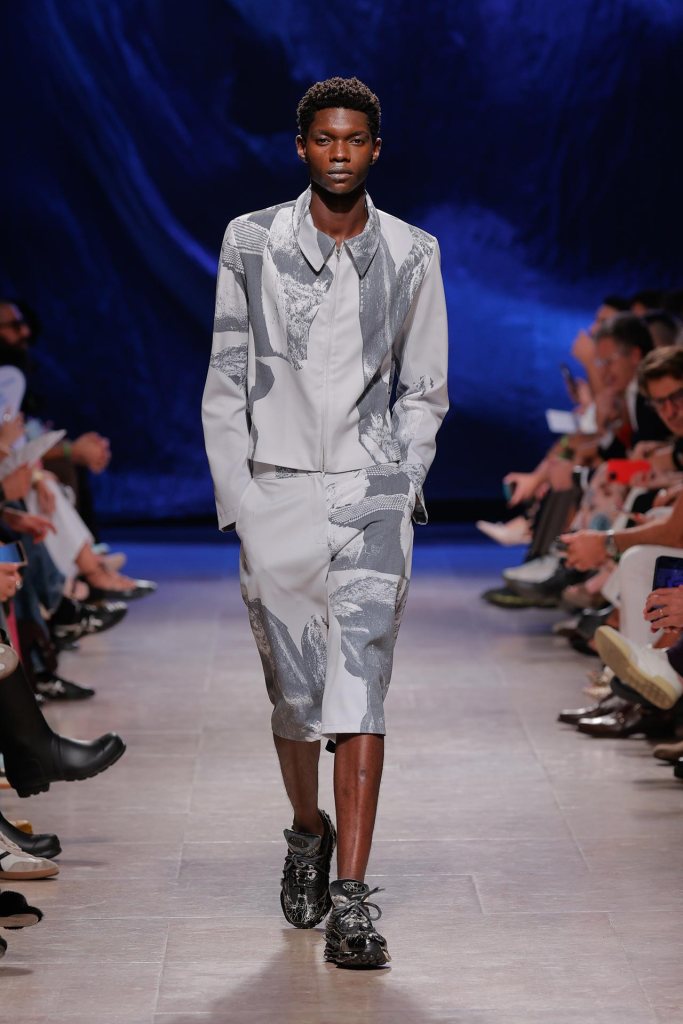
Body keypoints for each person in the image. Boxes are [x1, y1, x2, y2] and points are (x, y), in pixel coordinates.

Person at [203, 76, 448, 967]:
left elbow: (424, 385)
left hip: (370, 495)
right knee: (295, 697)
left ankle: (351, 898)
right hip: (276, 491)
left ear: (375, 148)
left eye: (353, 139)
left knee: (360, 689)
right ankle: (306, 830)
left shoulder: (413, 251)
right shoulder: (251, 241)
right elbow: (227, 371)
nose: (338, 153)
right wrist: (242, 499)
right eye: (323, 139)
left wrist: (403, 481)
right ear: (301, 146)